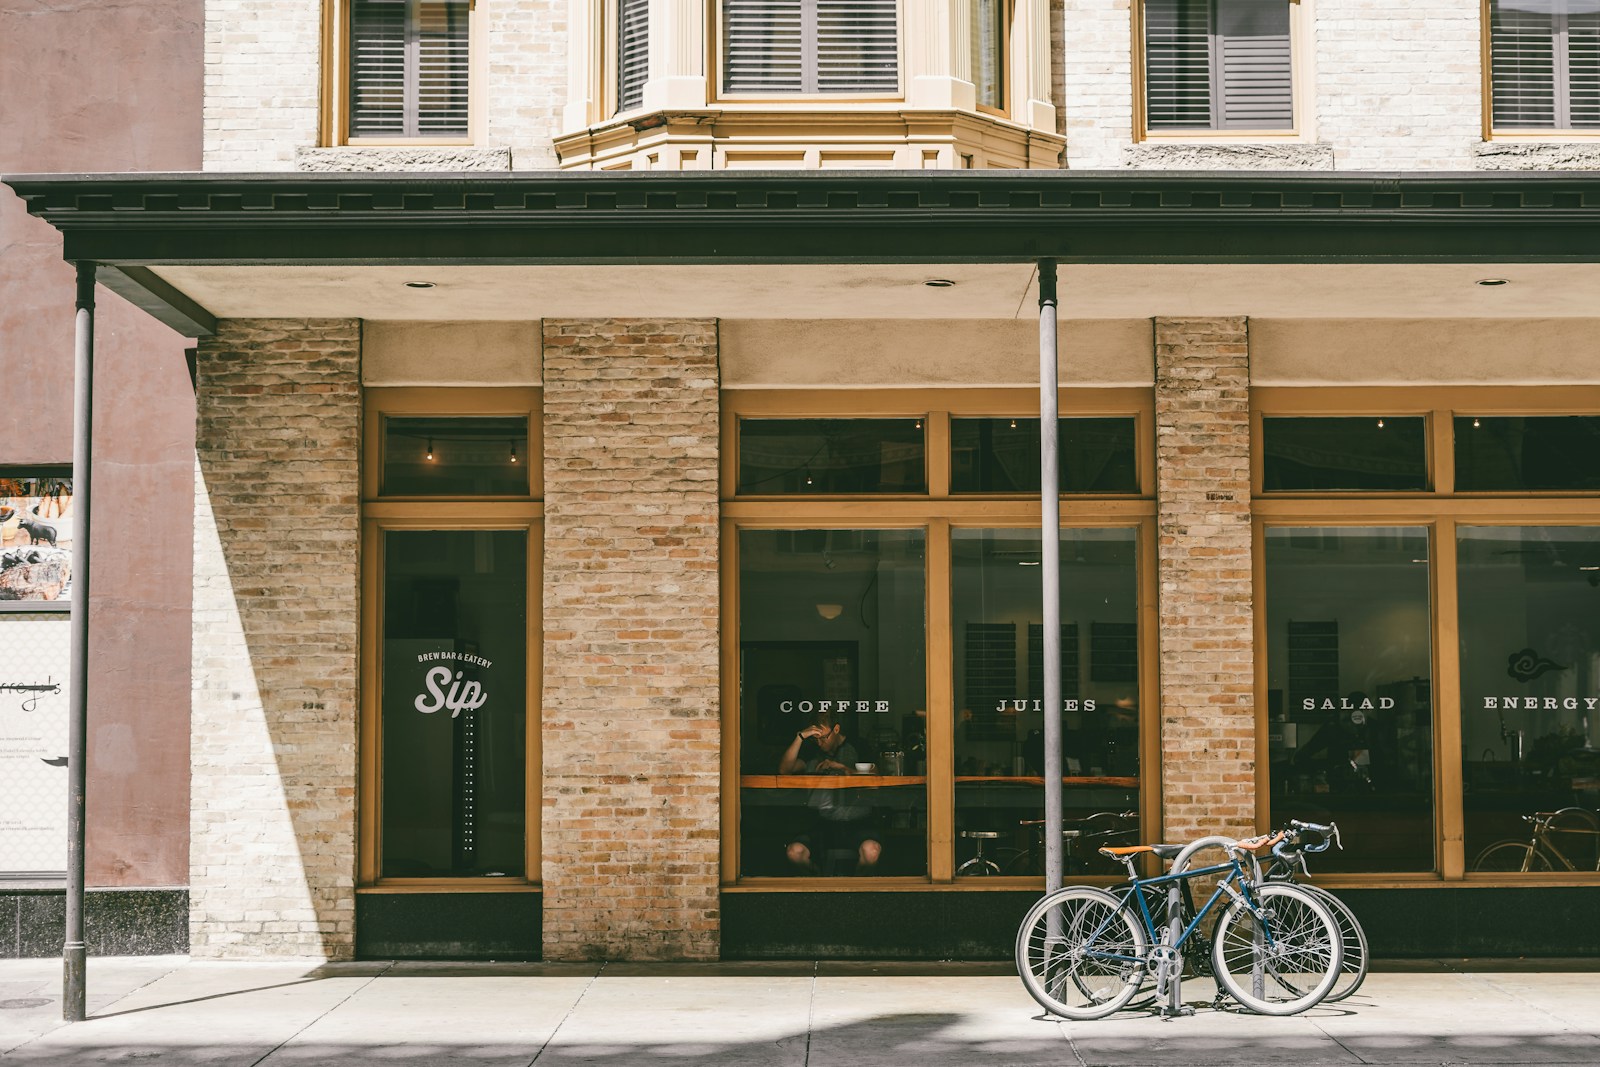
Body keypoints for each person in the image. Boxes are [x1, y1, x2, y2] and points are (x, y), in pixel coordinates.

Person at [778, 715, 883, 875]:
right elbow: (785, 770)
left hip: (858, 822)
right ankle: (820, 885)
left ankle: (856, 894)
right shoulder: (813, 749)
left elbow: (875, 777)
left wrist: (845, 769)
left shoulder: (858, 745)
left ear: (836, 729)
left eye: (824, 738)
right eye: (815, 739)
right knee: (794, 852)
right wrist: (800, 737)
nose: (820, 743)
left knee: (872, 851)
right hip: (822, 823)